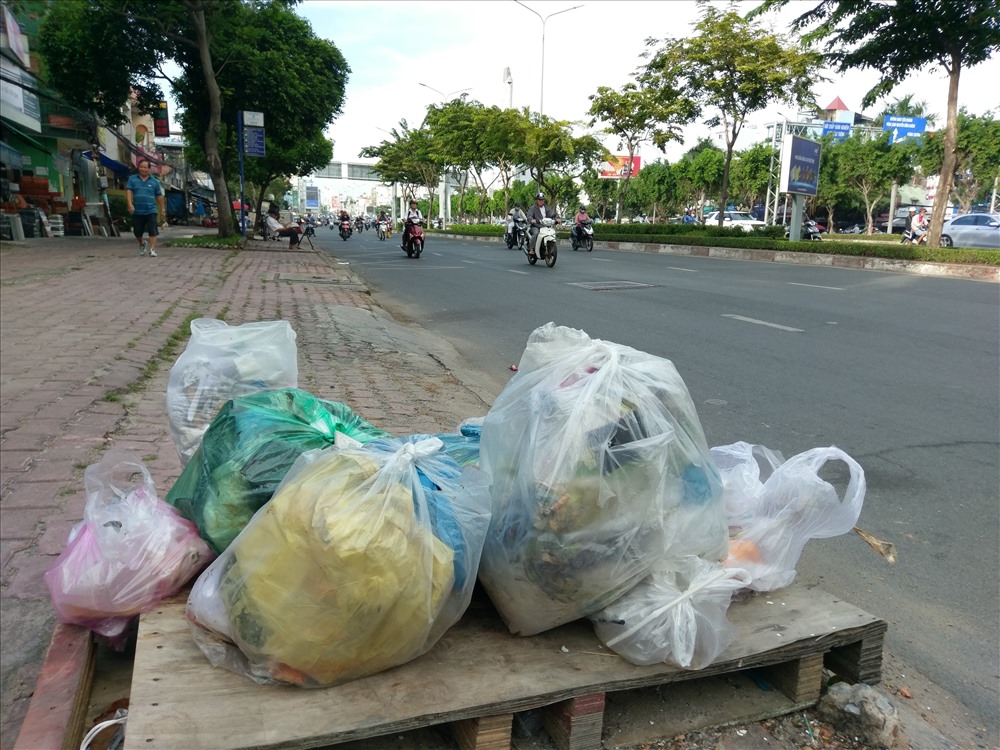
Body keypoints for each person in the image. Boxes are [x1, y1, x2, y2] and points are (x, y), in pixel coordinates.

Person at [126, 158, 166, 257]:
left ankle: (152, 250)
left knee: (153, 230)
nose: (143, 169)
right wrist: (130, 204)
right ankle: (142, 243)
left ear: (149, 169)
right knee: (137, 232)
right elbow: (129, 192)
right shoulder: (132, 179)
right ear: (138, 168)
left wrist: (162, 210)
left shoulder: (154, 182)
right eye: (141, 167)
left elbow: (159, 196)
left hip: (151, 210)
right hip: (137, 210)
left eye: (145, 167)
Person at [526, 192, 558, 256]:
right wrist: (531, 220)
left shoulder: (547, 208)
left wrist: (557, 219)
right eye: (540, 200)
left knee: (552, 233)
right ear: (537, 200)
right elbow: (529, 215)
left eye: (542, 200)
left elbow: (551, 215)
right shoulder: (533, 208)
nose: (541, 201)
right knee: (536, 233)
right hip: (536, 226)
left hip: (546, 226)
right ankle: (531, 248)